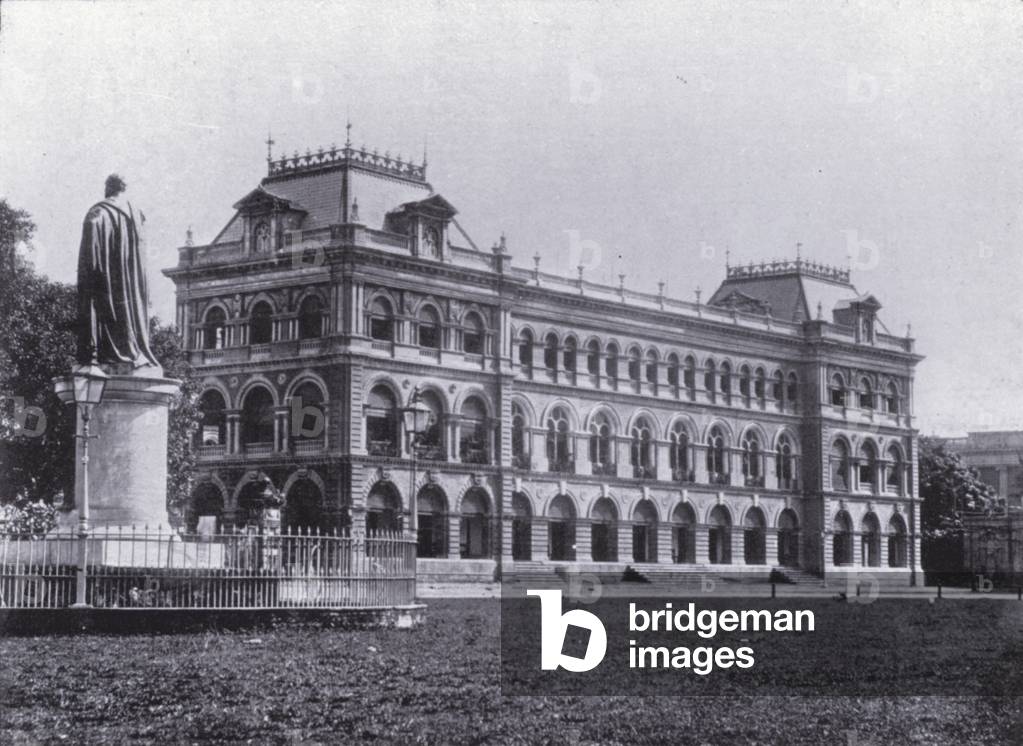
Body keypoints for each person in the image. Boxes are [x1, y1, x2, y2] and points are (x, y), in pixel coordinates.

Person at [76, 174, 159, 368]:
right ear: (124, 189)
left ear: (107, 188)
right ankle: (134, 349)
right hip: (133, 287)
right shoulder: (136, 213)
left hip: (109, 281)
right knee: (128, 312)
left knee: (106, 309)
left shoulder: (99, 210)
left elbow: (92, 225)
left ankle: (110, 353)